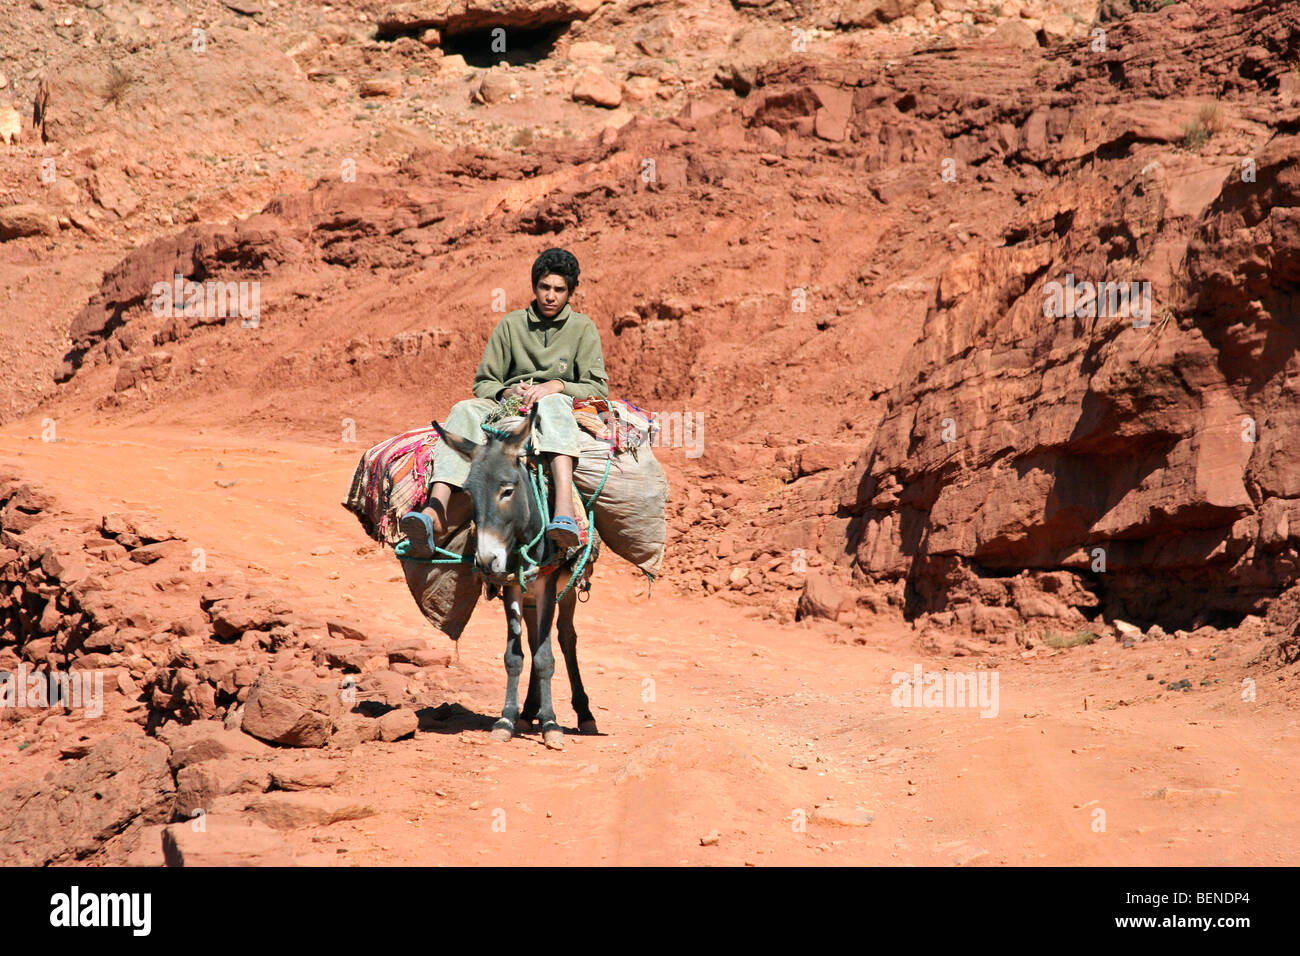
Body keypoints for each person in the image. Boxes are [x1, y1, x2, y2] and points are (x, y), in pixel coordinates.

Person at [401, 247, 608, 557]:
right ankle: (434, 510)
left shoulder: (583, 328)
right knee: (463, 409)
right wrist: (507, 393)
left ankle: (563, 512)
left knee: (551, 405)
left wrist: (556, 386)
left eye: (558, 289)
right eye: (544, 287)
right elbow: (483, 382)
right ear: (535, 287)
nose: (550, 296)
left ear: (570, 292)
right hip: (509, 405)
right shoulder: (511, 325)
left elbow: (597, 387)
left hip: (557, 404)